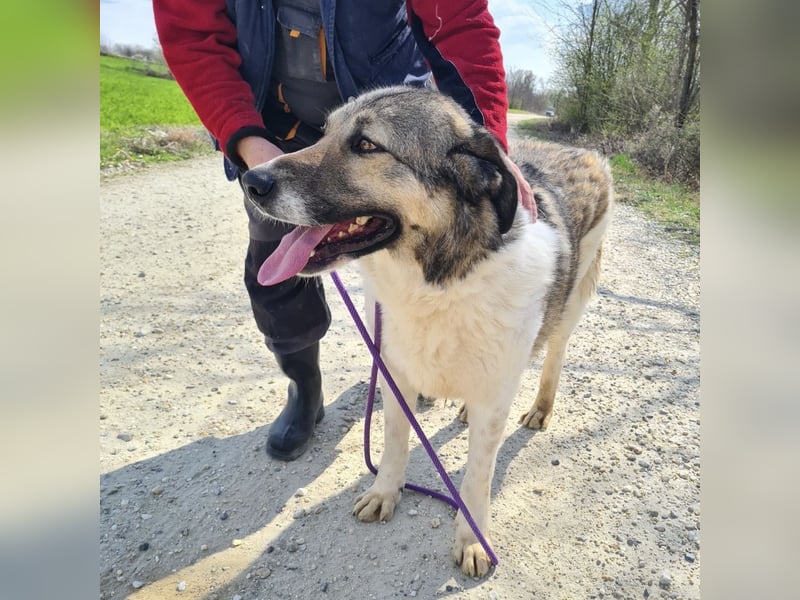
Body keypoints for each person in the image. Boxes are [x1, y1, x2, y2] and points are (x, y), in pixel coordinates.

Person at [153, 0, 535, 461]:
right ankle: (304, 386)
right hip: (272, 125)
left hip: (393, 121)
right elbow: (193, 36)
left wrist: (489, 142)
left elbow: (458, 22)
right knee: (276, 268)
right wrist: (245, 138)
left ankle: (419, 368)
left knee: (409, 264)